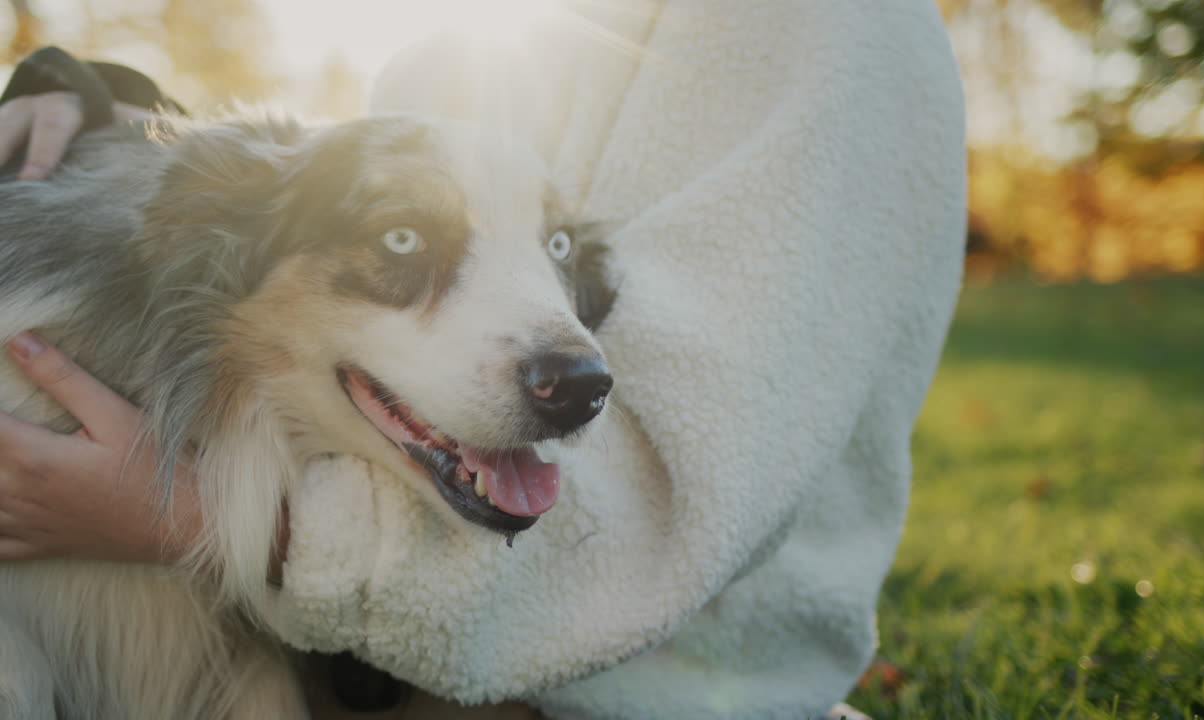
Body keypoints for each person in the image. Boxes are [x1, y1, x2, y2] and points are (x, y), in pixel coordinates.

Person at [0, 1, 967, 718]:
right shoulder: (458, 41)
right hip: (357, 674)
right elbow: (316, 189)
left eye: (558, 253)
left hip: (628, 698)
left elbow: (662, 512)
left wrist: (186, 520)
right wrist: (113, 104)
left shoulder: (827, 31)